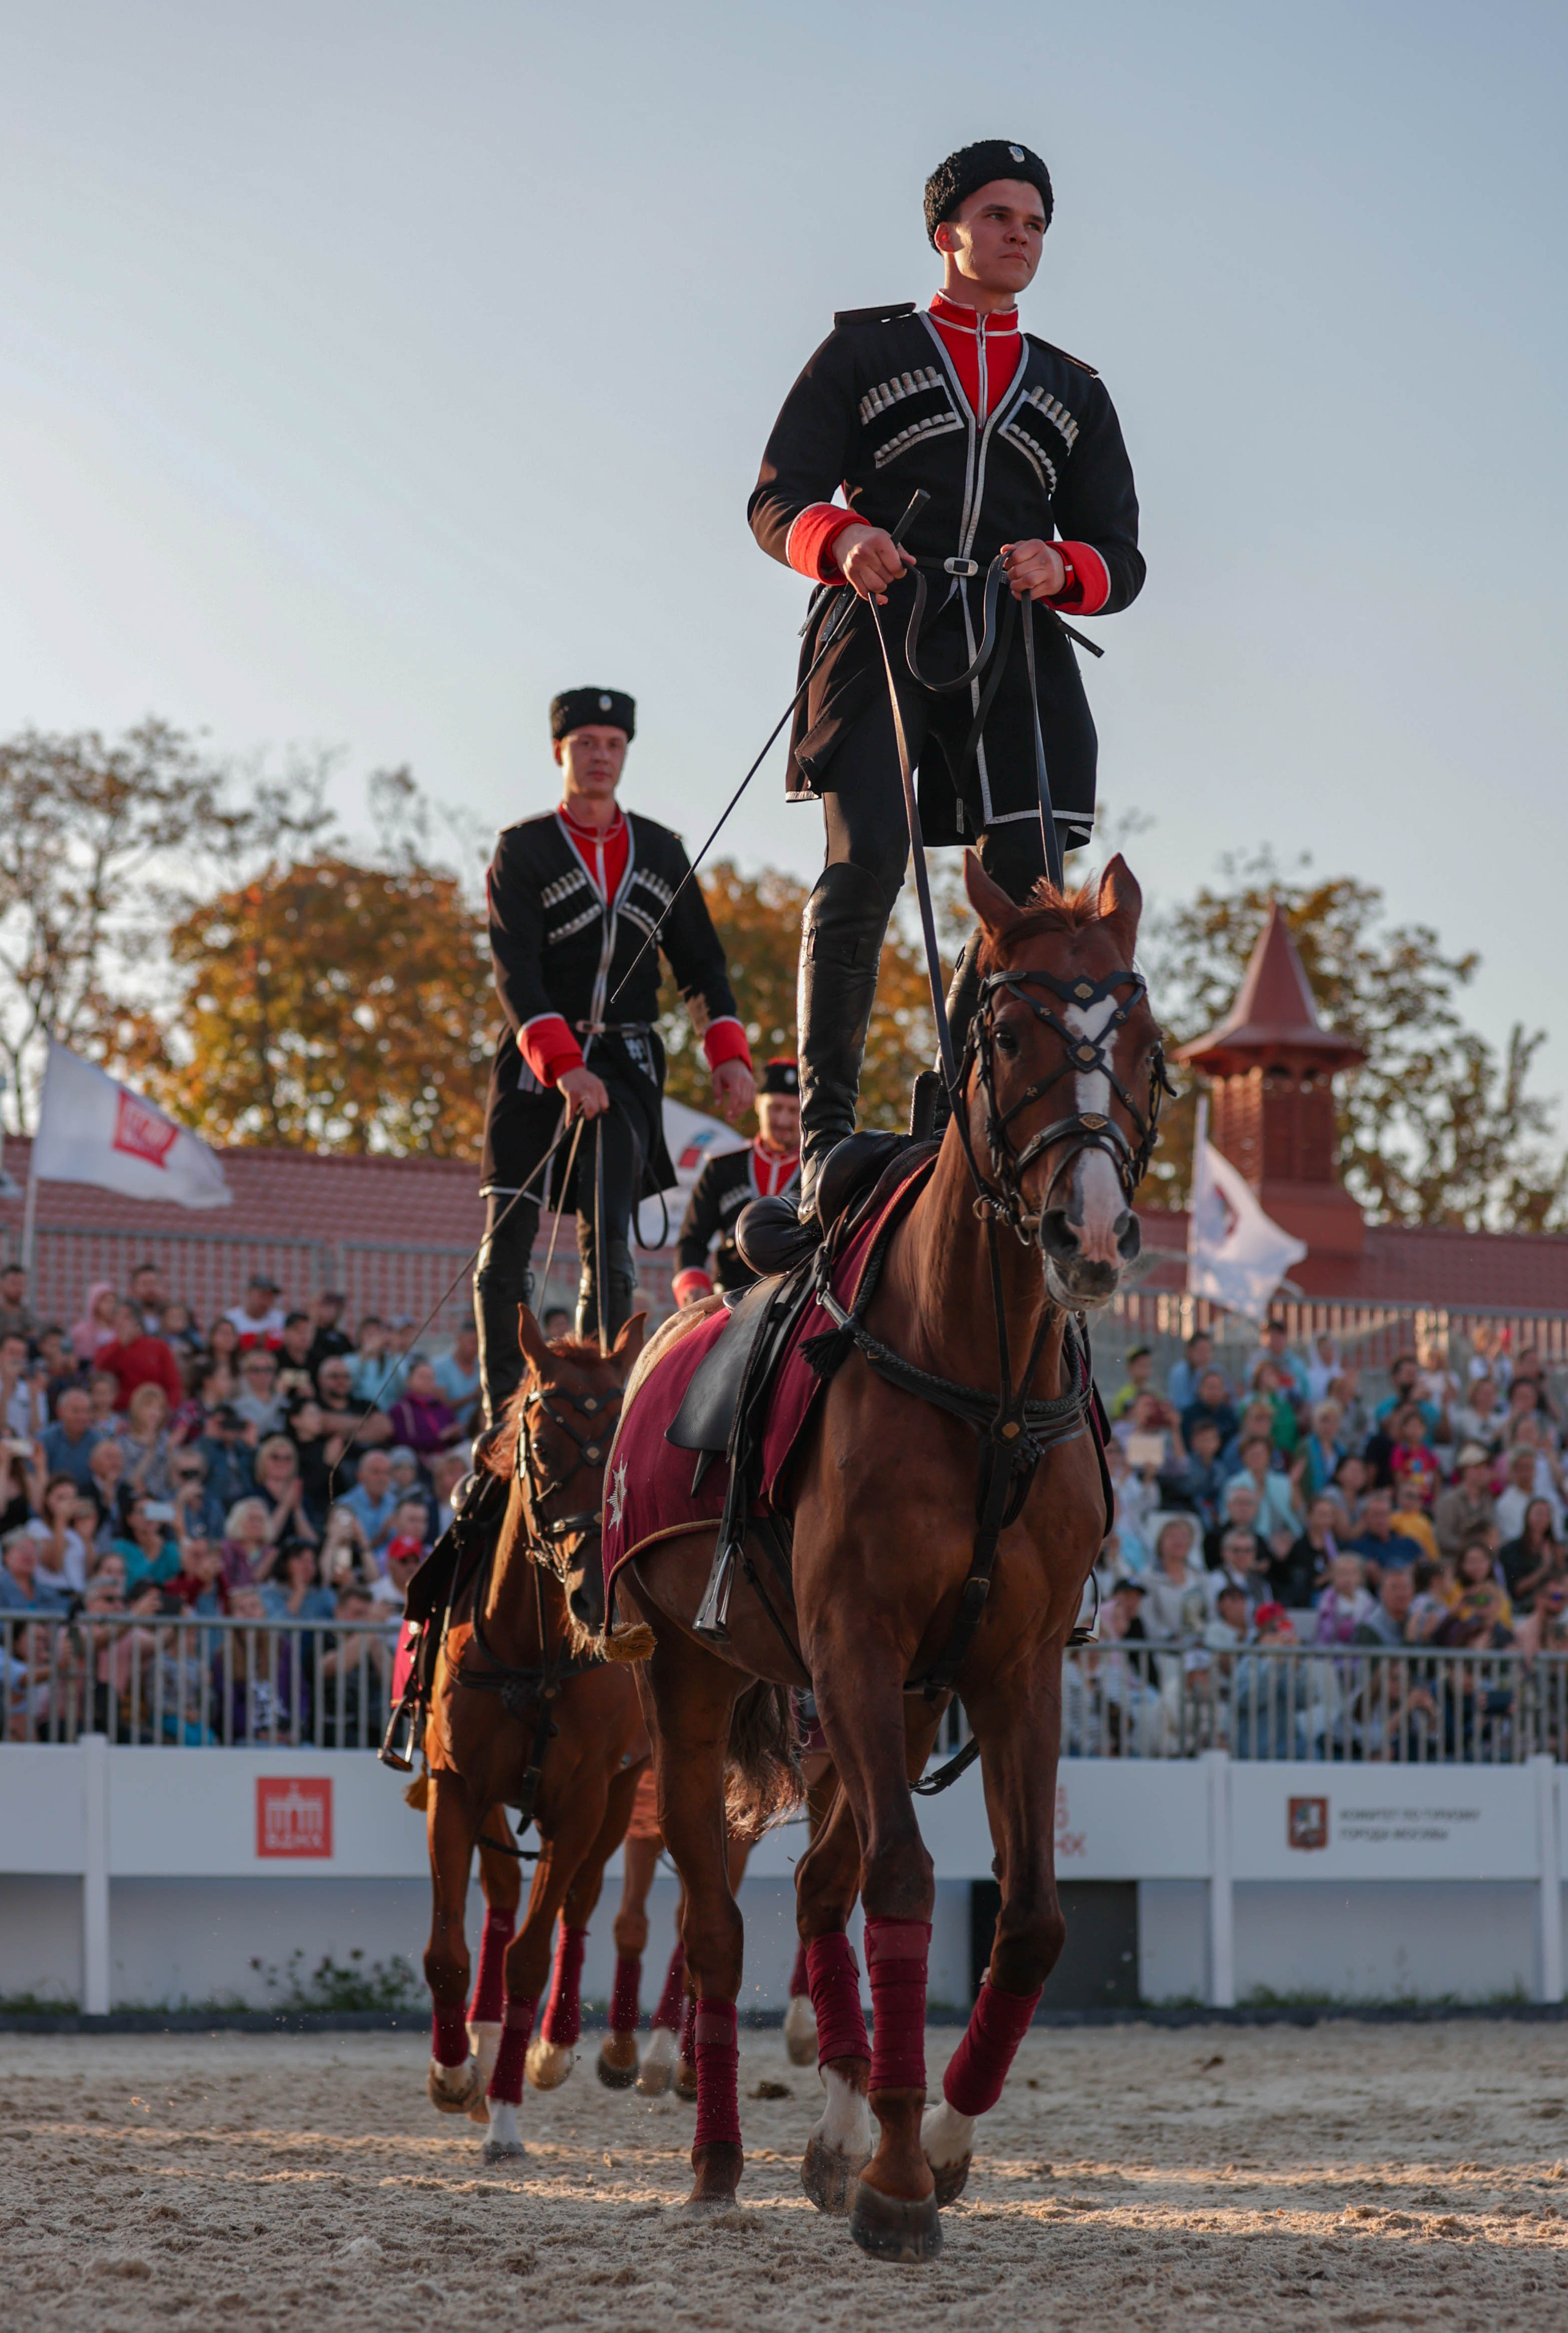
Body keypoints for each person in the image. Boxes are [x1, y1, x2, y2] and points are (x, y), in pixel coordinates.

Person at [747, 137, 1143, 1232]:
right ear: (947, 232)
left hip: (1017, 647)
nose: (1021, 235)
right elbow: (776, 498)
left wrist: (1065, 565)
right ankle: (825, 1134)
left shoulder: (1073, 388)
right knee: (866, 857)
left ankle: (957, 1113)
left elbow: (1122, 554)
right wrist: (840, 538)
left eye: (1036, 222)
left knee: (1024, 893)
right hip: (881, 625)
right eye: (1000, 216)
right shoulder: (863, 352)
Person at [475, 685, 753, 1415]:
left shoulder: (661, 850)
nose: (600, 756)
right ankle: (499, 1411)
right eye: (586, 743)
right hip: (534, 1061)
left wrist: (727, 1052)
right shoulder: (523, 848)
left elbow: (701, 963)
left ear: (626, 753)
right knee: (508, 1234)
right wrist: (565, 1067)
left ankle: (606, 1405)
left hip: (627, 1060)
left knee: (611, 1242)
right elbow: (514, 970)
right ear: (559, 752)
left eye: (613, 744)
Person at [673, 1061, 802, 1307]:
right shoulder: (724, 1166)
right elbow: (692, 1239)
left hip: (798, 1301)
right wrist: (692, 1283)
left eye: (793, 1110)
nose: (783, 1120)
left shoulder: (817, 1171)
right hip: (731, 1298)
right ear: (758, 1105)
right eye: (775, 1108)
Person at [94, 1302, 183, 1413]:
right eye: (121, 1316)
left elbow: (173, 1385)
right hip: (120, 1412)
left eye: (128, 1317)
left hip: (153, 1411)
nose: (123, 1321)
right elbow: (100, 1372)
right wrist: (120, 1345)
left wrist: (169, 1410)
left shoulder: (159, 1347)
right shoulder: (107, 1348)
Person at [1273, 1492, 1340, 1611]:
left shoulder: (1336, 1544)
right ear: (1309, 1516)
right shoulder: (1299, 1547)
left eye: (1330, 1515)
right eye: (1322, 1515)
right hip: (1306, 1605)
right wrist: (1330, 1576)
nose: (1327, 1520)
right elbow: (1301, 1582)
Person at [1433, 1444, 1498, 1564]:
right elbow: (1443, 1538)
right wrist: (1471, 1549)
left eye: (1485, 1467)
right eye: (1477, 1468)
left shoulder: (1487, 1499)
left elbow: (1492, 1531)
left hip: (1483, 1563)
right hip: (1455, 1562)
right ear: (1464, 1471)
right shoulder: (1450, 1501)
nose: (1483, 1472)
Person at [387, 1361, 464, 1460]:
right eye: (422, 1377)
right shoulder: (400, 1410)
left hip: (447, 1456)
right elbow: (402, 1442)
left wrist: (455, 1434)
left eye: (431, 1378)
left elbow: (456, 1439)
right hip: (420, 1459)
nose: (427, 1381)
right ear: (408, 1381)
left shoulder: (442, 1408)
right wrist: (439, 1437)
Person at [1498, 1497, 1561, 1616]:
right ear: (1527, 1516)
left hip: (1555, 1603)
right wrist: (1544, 1567)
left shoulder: (1557, 1548)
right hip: (1522, 1607)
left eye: (1547, 1514)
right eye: (1538, 1513)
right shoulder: (1511, 1550)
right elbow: (1516, 1589)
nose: (1542, 1518)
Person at [37, 1386, 104, 1493]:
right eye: (75, 1411)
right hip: (54, 1497)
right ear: (60, 1412)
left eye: (86, 1411)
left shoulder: (99, 1441)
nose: (82, 1417)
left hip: (89, 1498)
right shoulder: (45, 1440)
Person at [341, 1447, 399, 1555]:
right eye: (376, 1472)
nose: (382, 1479)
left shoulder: (396, 1505)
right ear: (360, 1475)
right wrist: (382, 1536)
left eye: (387, 1473)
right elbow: (350, 1552)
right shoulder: (345, 1506)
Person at [431, 1324, 482, 1433]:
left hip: (477, 1432)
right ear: (459, 1340)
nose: (476, 1348)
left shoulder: (481, 1367)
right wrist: (472, 1396)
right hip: (449, 1433)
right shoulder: (440, 1366)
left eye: (479, 1343)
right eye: (472, 1342)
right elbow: (441, 1406)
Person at [1166, 1332, 1219, 1419]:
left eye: (1208, 1350)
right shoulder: (1179, 1372)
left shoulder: (1216, 1370)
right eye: (1201, 1350)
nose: (1205, 1355)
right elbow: (1181, 1405)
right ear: (1190, 1351)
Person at [226, 1275, 287, 1352]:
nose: (266, 1301)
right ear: (249, 1292)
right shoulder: (231, 1319)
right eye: (262, 1295)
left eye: (270, 1297)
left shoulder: (280, 1320)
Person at [233, 1347, 285, 1437]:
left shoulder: (284, 1400)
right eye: (256, 1370)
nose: (263, 1374)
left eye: (268, 1369)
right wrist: (278, 1398)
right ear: (246, 1373)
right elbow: (258, 1430)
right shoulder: (241, 1403)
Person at [1107, 1347, 1154, 1423]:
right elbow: (1115, 1421)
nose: (1144, 1370)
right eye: (1141, 1365)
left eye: (1147, 1365)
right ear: (1130, 1368)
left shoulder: (1154, 1394)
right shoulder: (1123, 1395)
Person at [0, 1261, 36, 1341]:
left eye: (21, 1284)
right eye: (13, 1283)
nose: (18, 1288)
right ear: (1, 1286)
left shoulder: (30, 1319)